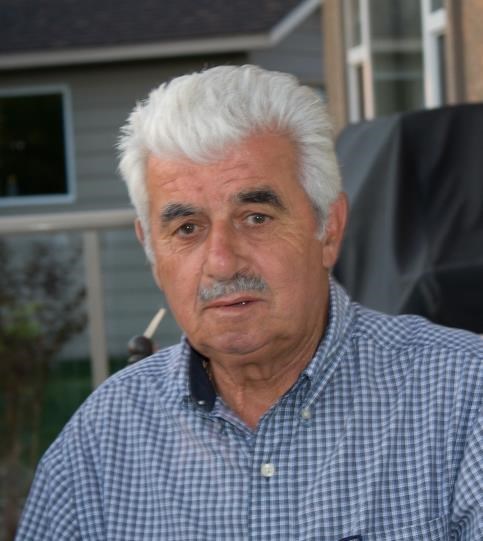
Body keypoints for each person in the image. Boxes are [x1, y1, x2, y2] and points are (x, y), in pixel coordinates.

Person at [16, 65, 481, 540]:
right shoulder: (101, 443)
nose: (222, 263)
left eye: (256, 217)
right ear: (152, 253)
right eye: (187, 228)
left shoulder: (464, 398)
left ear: (329, 229)